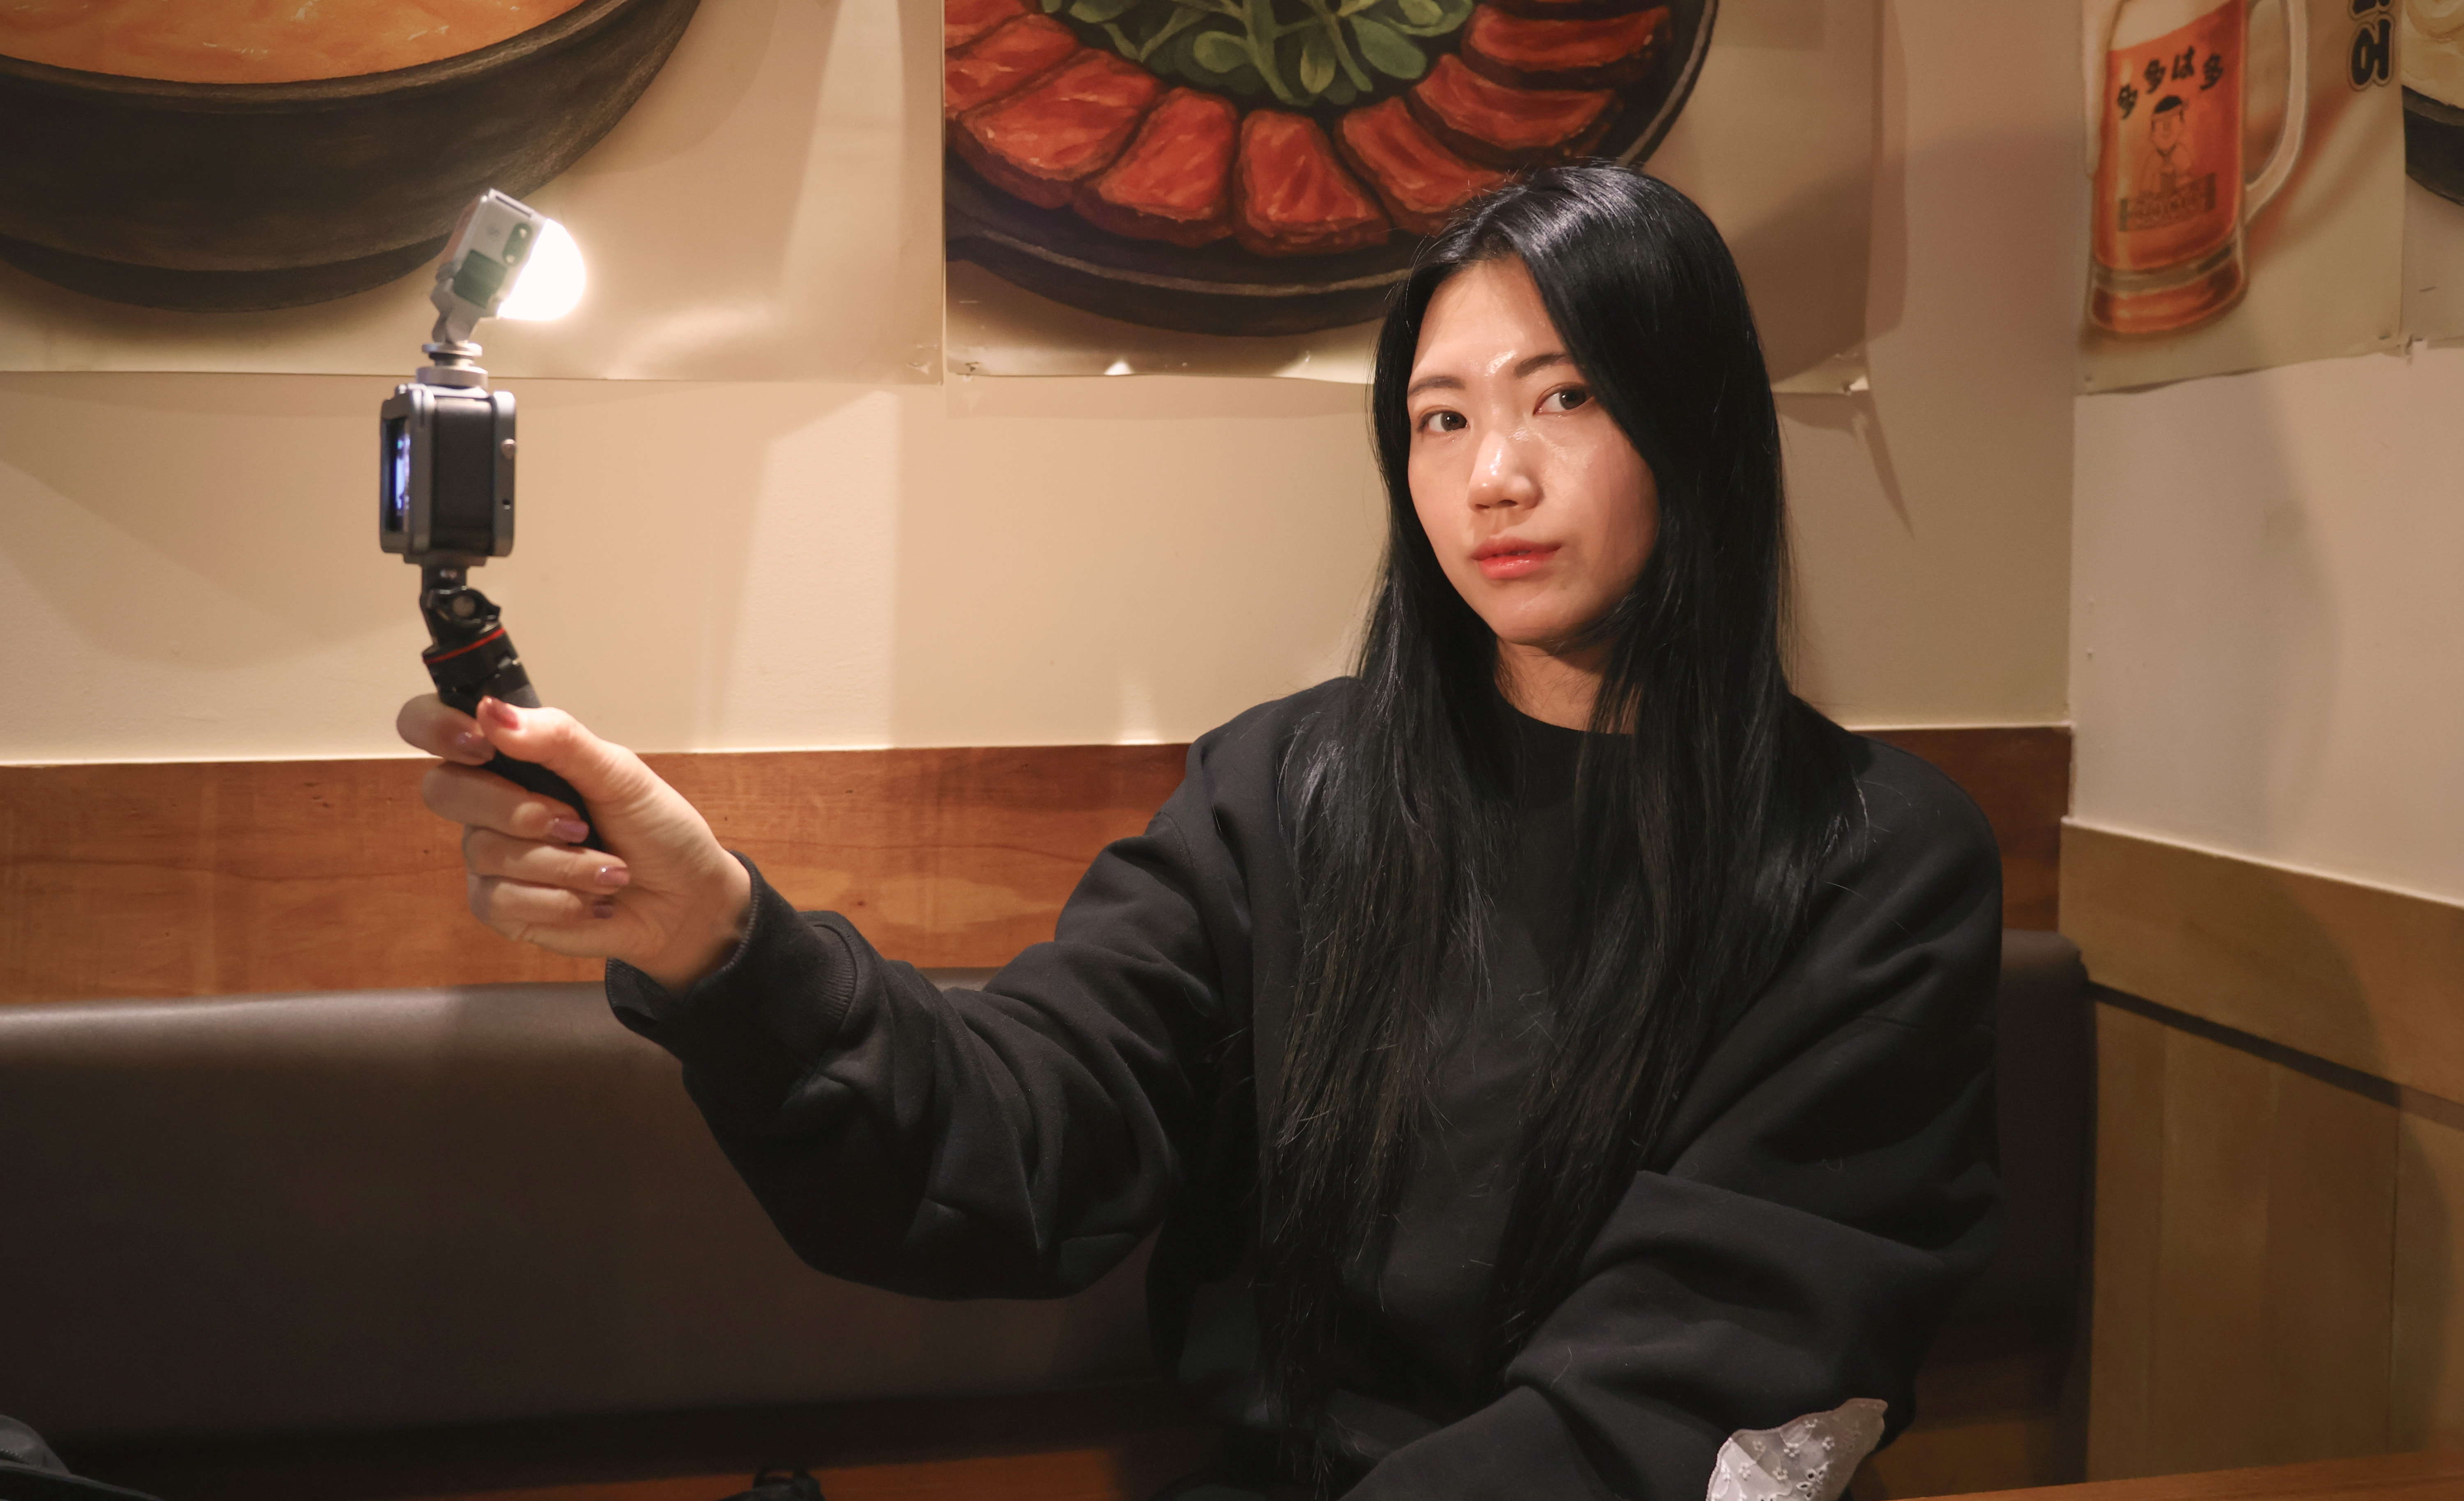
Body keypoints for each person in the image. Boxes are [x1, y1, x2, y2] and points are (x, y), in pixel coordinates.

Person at [396, 165, 2002, 1501]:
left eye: (1564, 398)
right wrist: (723, 943)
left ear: (1696, 427)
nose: (1493, 478)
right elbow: (1026, 1135)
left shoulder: (1873, 864)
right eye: (1440, 420)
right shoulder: (1289, 788)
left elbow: (1708, 1372)